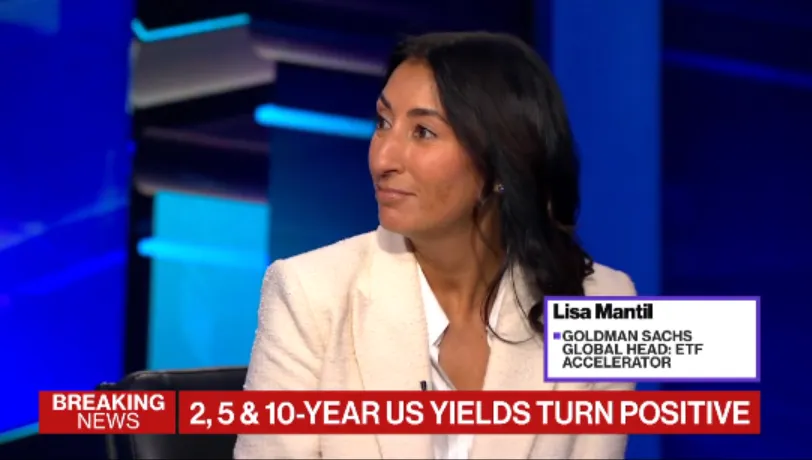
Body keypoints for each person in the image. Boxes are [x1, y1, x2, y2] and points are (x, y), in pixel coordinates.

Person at [234, 31, 636, 459]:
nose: (383, 160)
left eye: (423, 132)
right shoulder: (308, 293)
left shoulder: (606, 303)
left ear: (502, 163)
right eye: (383, 123)